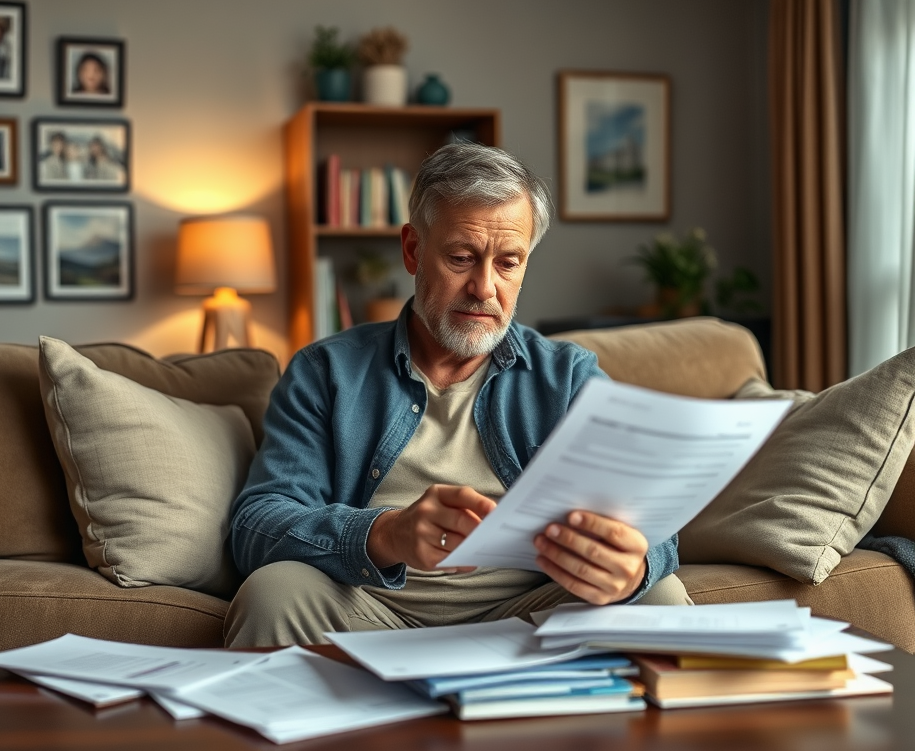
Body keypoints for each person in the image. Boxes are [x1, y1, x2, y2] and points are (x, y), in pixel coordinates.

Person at [225, 143, 689, 648]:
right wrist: (387, 534)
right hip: (368, 611)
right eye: (462, 258)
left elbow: (649, 519)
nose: (485, 288)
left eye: (508, 262)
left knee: (657, 596)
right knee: (272, 593)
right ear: (412, 250)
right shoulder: (326, 372)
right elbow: (258, 523)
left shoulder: (569, 377)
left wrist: (635, 564)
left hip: (527, 617)